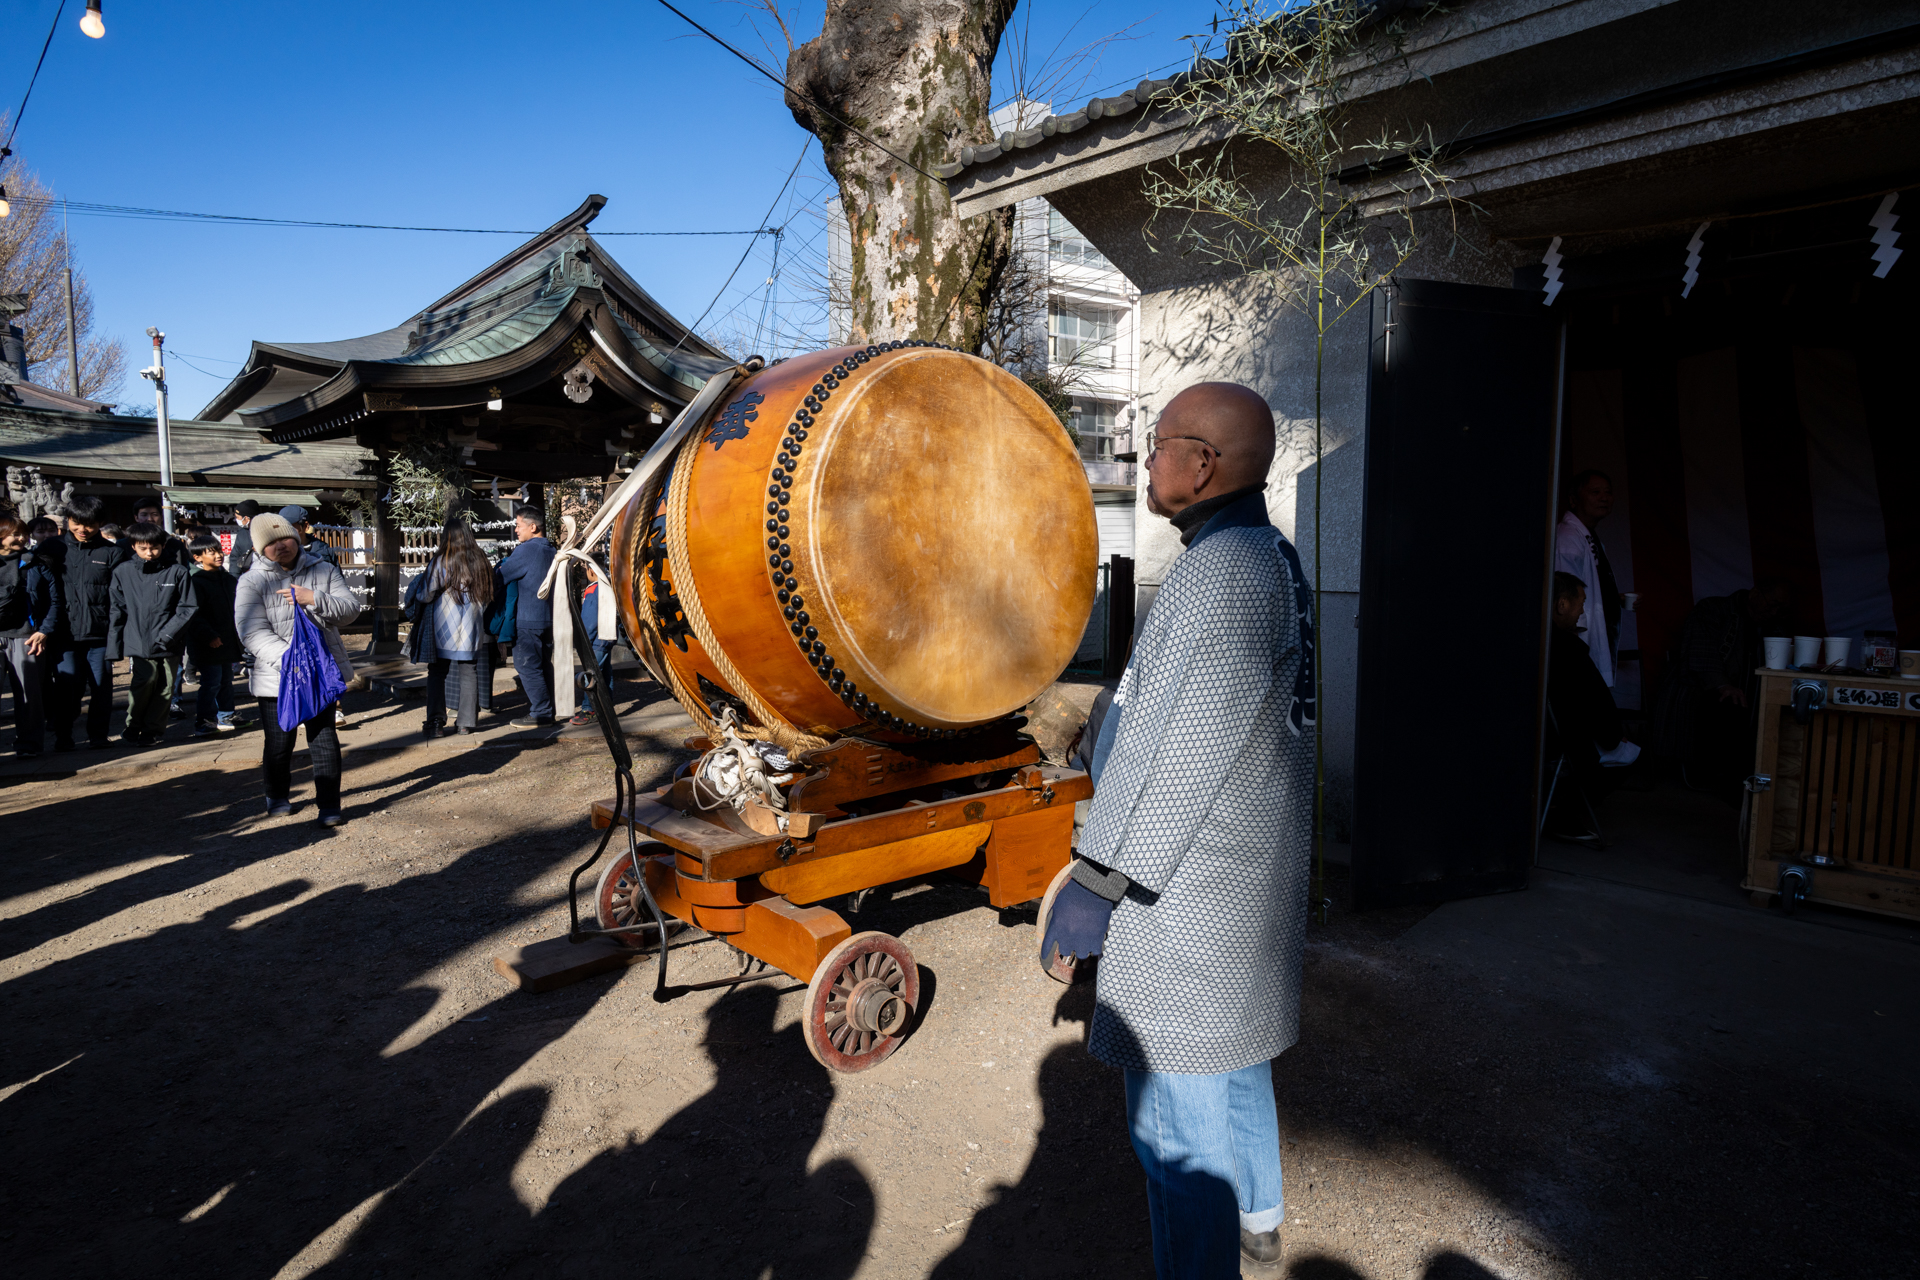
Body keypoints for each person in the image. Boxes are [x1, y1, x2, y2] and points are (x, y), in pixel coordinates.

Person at [1040, 382, 1314, 1277]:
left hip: (1190, 894)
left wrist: (1095, 883)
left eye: (1157, 443)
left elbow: (1177, 758)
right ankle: (1262, 1211)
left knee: (1176, 1123)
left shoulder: (1224, 570)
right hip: (1242, 878)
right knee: (1232, 1057)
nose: (1145, 459)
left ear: (1202, 465)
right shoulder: (1263, 554)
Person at [236, 512, 357, 823]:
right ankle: (276, 794)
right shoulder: (251, 580)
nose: (281, 546)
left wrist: (313, 598)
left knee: (324, 738)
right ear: (260, 549)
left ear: (298, 536)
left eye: (285, 538)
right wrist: (292, 660)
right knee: (279, 743)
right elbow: (251, 631)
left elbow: (350, 611)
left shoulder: (324, 569)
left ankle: (329, 805)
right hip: (278, 675)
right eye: (271, 543)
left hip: (319, 673)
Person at [1653, 578, 1792, 793]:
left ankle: (1766, 774)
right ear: (1754, 594)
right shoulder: (1713, 609)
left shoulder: (1772, 624)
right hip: (1702, 687)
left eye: (1781, 608)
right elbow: (1700, 651)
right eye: (1772, 604)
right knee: (1729, 707)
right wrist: (1722, 685)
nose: (1774, 612)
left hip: (1748, 691)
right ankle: (1732, 781)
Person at [107, 523, 197, 747]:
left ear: (163, 546)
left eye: (154, 548)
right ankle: (133, 725)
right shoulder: (123, 572)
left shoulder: (177, 571)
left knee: (165, 688)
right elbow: (117, 610)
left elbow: (188, 607)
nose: (149, 553)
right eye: (143, 548)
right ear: (133, 546)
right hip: (138, 639)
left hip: (169, 641)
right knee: (142, 683)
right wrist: (114, 647)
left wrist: (168, 634)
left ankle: (152, 730)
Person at [52, 496, 130, 750]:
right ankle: (63, 737)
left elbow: (120, 596)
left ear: (100, 523)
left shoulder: (113, 552)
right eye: (76, 523)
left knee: (101, 687)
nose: (82, 530)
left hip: (100, 632)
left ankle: (98, 735)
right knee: (67, 686)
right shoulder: (52, 549)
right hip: (64, 632)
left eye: (89, 525)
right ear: (68, 520)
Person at [404, 520, 495, 737]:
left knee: (437, 672)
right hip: (472, 625)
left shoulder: (441, 559)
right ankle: (465, 723)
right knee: (469, 671)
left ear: (447, 536)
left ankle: (435, 722)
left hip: (442, 625)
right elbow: (490, 594)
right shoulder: (481, 560)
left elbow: (425, 594)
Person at [0, 515, 64, 759]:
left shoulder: (34, 563)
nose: (21, 538)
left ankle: (29, 745)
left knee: (29, 694)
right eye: (14, 534)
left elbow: (55, 601)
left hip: (27, 637)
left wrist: (43, 631)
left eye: (23, 533)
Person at [1554, 470, 1619, 687]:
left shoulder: (1587, 535)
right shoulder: (1568, 537)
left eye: (1608, 492)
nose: (1604, 497)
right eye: (1595, 492)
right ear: (1573, 500)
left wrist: (1614, 599)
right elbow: (1564, 598)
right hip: (1577, 640)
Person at [497, 504, 557, 727]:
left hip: (528, 616)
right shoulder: (552, 549)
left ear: (533, 527)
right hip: (548, 616)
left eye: (518, 525)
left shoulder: (527, 550)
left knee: (527, 666)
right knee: (543, 664)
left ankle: (541, 712)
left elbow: (502, 576)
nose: (516, 530)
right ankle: (549, 708)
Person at [185, 532, 242, 737]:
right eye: (212, 552)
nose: (219, 555)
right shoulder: (196, 581)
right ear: (197, 558)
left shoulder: (227, 579)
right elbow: (193, 613)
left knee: (226, 680)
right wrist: (208, 635)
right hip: (206, 643)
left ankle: (226, 715)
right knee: (211, 682)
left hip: (226, 640)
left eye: (219, 550)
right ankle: (204, 720)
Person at [130, 496, 188, 567]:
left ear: (161, 517)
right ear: (136, 517)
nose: (149, 519)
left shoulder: (175, 544)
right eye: (144, 515)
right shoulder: (125, 543)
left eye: (154, 515)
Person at [226, 499, 260, 577]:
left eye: (238, 517)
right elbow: (235, 556)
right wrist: (234, 577)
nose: (237, 520)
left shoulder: (266, 531)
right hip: (246, 576)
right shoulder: (242, 533)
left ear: (246, 518)